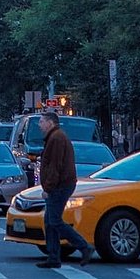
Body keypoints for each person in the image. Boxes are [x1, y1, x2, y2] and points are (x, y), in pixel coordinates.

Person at [36, 111, 94, 269]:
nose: (39, 125)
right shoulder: (55, 137)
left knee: (54, 220)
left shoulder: (56, 138)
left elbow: (55, 165)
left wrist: (48, 187)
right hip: (61, 185)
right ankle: (53, 257)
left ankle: (84, 247)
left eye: (41, 122)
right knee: (49, 221)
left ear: (50, 123)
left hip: (60, 186)